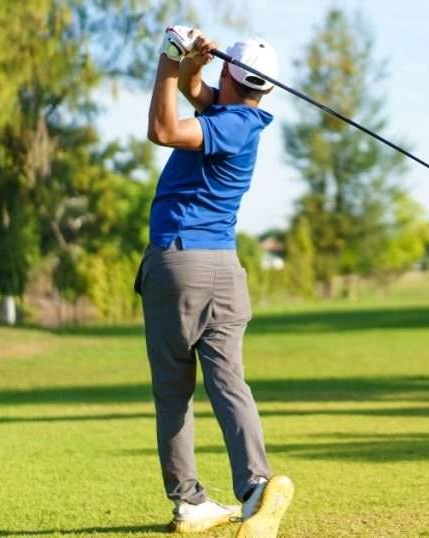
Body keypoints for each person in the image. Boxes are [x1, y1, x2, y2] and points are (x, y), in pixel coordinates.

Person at [135, 27, 293, 537]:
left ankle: (188, 502)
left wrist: (167, 59)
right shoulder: (245, 117)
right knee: (229, 384)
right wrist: (193, 66)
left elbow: (162, 129)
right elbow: (195, 93)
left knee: (174, 392)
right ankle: (255, 488)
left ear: (231, 74)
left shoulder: (226, 125)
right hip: (225, 270)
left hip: (181, 262)